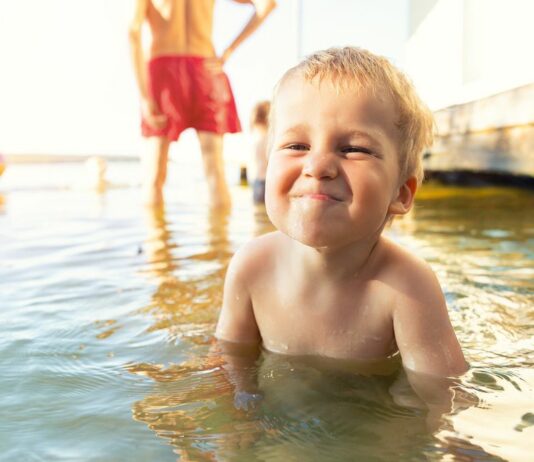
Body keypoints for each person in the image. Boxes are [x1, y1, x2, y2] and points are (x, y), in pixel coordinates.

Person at [215, 47, 468, 406]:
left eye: (354, 149)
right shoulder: (251, 266)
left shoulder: (408, 288)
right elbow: (230, 359)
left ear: (401, 193)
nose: (318, 166)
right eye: (297, 144)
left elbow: (445, 396)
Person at [129, 0, 277, 209]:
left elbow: (133, 32)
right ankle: (219, 242)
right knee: (215, 173)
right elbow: (267, 5)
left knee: (154, 177)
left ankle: (158, 241)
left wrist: (145, 97)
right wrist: (228, 51)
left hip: (163, 72)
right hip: (205, 70)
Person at [249, 100, 270, 204]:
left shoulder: (257, 141)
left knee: (258, 214)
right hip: (268, 182)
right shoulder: (271, 140)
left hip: (257, 181)